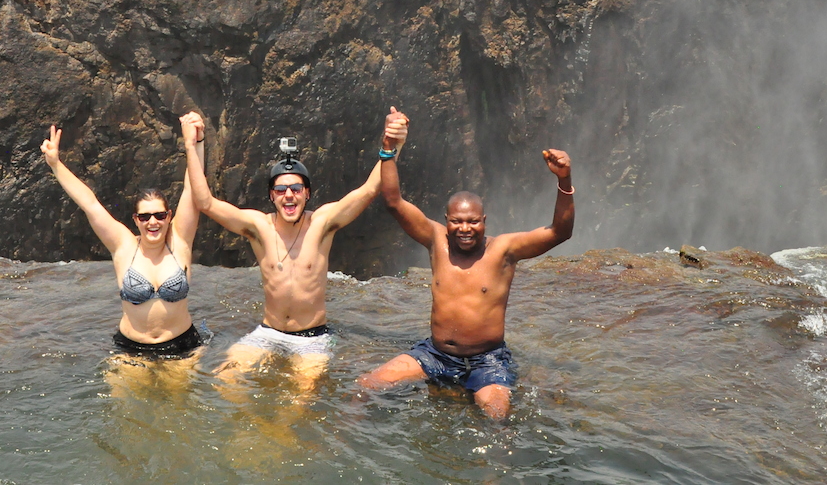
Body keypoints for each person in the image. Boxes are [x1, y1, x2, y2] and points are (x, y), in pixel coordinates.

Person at [359, 109, 575, 419]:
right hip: (434, 354)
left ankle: (495, 467)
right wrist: (388, 147)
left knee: (497, 415)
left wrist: (564, 180)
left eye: (472, 222)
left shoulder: (503, 251)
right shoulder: (436, 240)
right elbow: (394, 202)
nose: (465, 229)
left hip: (487, 361)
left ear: (484, 221)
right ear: (446, 221)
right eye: (457, 222)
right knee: (367, 384)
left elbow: (560, 232)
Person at [182, 109, 395, 390]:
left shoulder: (323, 224)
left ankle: (280, 431)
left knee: (300, 397)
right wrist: (192, 144)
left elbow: (369, 190)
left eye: (296, 188)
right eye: (281, 190)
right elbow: (206, 203)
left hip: (312, 338)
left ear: (307, 193)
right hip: (268, 333)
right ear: (271, 196)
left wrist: (392, 146)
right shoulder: (258, 227)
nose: (289, 195)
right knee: (224, 379)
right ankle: (256, 432)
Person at [41, 113, 206, 357]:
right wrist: (56, 164)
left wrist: (197, 144)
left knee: (180, 395)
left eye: (160, 216)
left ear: (169, 216)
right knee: (121, 396)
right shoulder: (124, 246)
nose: (153, 222)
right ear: (135, 220)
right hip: (130, 348)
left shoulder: (180, 241)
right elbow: (90, 204)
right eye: (145, 217)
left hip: (181, 345)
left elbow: (193, 189)